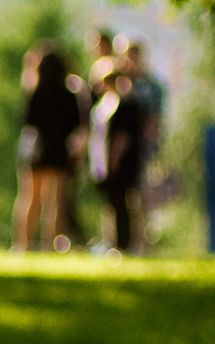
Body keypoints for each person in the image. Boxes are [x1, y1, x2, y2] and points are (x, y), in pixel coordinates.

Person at [12, 44, 84, 253]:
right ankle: (49, 244)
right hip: (58, 151)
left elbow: (27, 122)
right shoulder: (68, 94)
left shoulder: (35, 92)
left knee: (30, 198)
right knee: (56, 201)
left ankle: (21, 244)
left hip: (37, 151)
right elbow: (74, 126)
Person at [89, 65, 149, 255]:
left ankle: (123, 243)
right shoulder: (105, 104)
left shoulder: (124, 103)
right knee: (112, 203)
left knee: (121, 202)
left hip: (120, 162)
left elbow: (124, 135)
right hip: (103, 161)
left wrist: (114, 157)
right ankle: (112, 240)